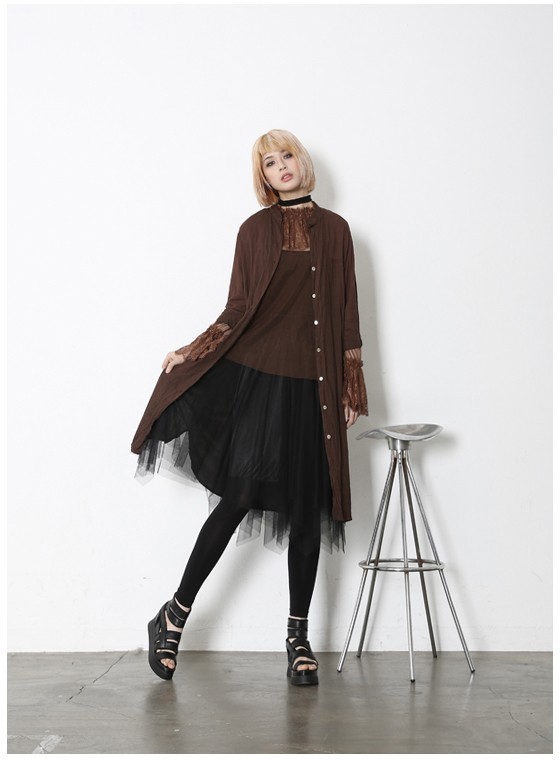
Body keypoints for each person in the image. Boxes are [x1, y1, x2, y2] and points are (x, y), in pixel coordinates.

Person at [131, 129, 368, 686]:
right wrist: (192, 351)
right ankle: (174, 614)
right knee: (238, 497)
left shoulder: (337, 230)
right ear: (262, 176)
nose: (281, 166)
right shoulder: (254, 230)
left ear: (301, 161)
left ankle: (297, 638)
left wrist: (351, 386)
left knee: (307, 510)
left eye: (287, 156)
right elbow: (237, 307)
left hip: (313, 388)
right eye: (269, 162)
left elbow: (346, 312)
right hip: (261, 384)